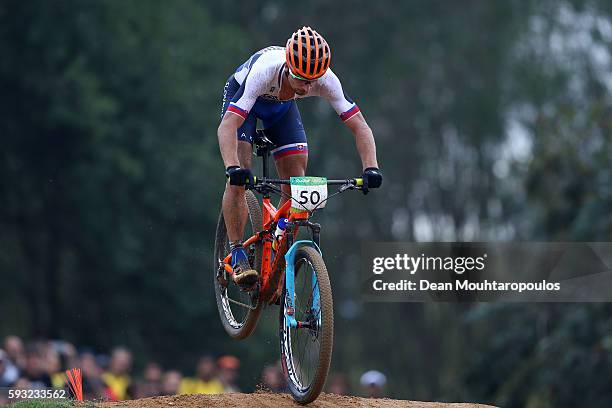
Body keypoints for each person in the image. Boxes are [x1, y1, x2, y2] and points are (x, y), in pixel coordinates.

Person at [218, 26, 382, 287]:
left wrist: (371, 168)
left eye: (312, 80)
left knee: (298, 183)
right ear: (288, 66)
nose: (307, 87)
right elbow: (228, 126)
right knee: (241, 172)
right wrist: (232, 167)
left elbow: (360, 125)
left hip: (282, 108)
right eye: (301, 79)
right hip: (246, 101)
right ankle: (237, 252)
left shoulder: (325, 80)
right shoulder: (264, 72)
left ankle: (281, 244)